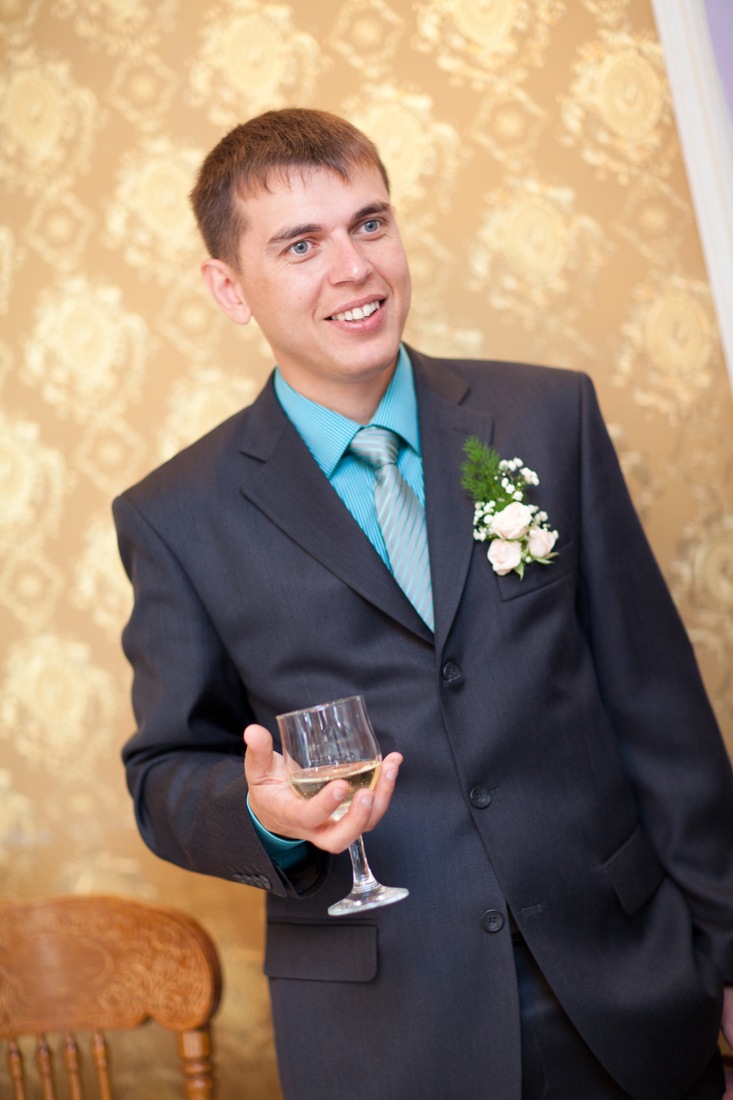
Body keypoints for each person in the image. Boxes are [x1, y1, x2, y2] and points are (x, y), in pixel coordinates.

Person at [113, 108, 733, 1100]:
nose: (354, 267)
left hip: (630, 987)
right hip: (387, 1032)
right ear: (229, 288)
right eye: (300, 244)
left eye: (370, 223)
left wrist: (723, 947)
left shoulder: (546, 416)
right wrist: (264, 815)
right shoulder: (177, 514)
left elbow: (656, 707)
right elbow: (162, 775)